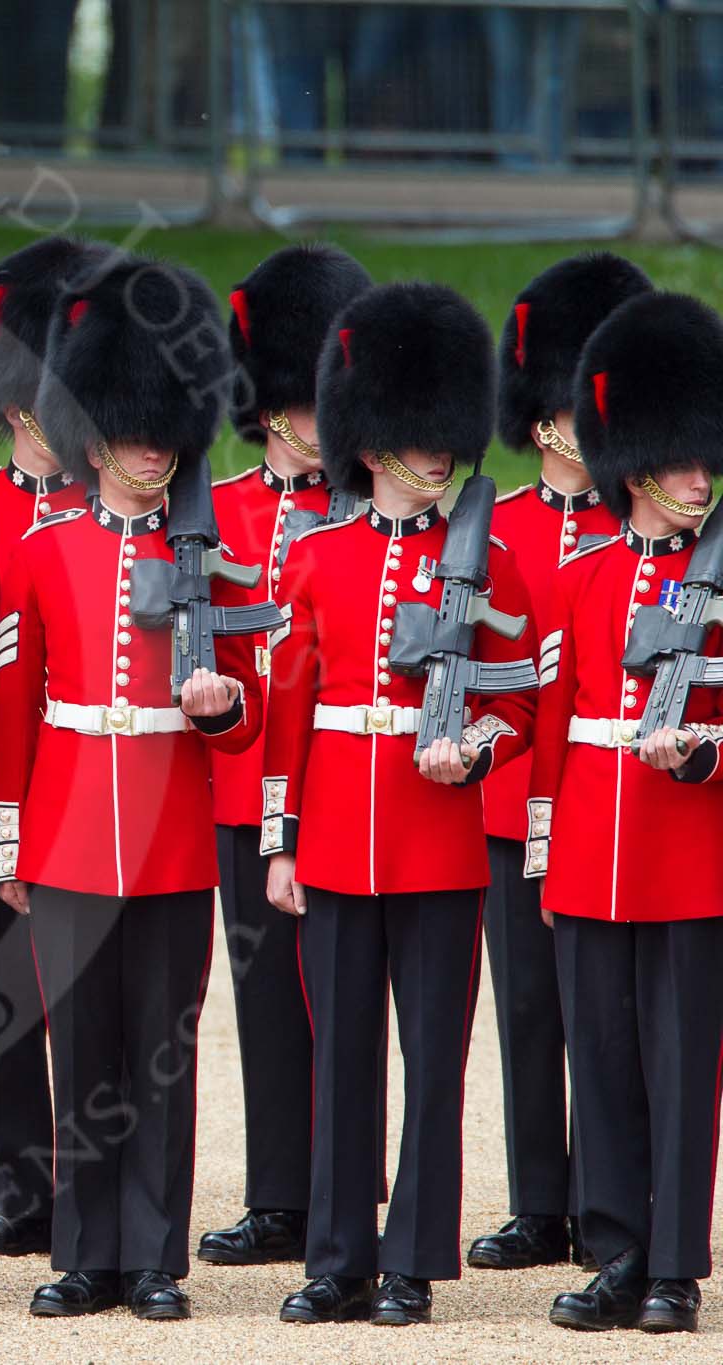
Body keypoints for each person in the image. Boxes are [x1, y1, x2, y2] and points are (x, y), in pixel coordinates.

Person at [0, 253, 262, 1323]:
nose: (152, 448)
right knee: (79, 1047)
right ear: (93, 433)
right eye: (134, 428)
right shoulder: (46, 548)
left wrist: (218, 709)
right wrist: (8, 836)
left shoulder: (216, 556)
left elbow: (256, 715)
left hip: (168, 831)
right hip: (63, 827)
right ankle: (83, 1251)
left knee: (156, 1050)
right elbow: (14, 701)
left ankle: (152, 1255)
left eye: (165, 431)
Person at [265, 282, 537, 1327]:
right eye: (416, 438)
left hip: (436, 840)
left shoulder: (490, 559)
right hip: (334, 835)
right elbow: (289, 710)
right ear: (371, 443)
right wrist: (279, 842)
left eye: (443, 437)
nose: (438, 456)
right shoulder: (317, 557)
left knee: (432, 1060)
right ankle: (334, 1256)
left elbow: (516, 701)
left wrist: (473, 750)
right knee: (339, 1058)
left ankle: (413, 1257)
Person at [535, 290, 723, 1335]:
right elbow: (550, 717)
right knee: (598, 1059)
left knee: (678, 1063)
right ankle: (612, 1250)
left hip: (689, 855)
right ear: (637, 460)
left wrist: (698, 757)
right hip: (592, 858)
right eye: (683, 459)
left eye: (706, 459)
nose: (700, 477)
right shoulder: (584, 579)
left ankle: (673, 1268)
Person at [470, 253, 649, 1273]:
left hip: (608, 804)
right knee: (528, 1010)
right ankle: (540, 1201)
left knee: (612, 1019)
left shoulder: (645, 545)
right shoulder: (493, 533)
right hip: (507, 806)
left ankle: (610, 1200)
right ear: (542, 421)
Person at [198, 243, 373, 1269]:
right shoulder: (218, 510)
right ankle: (277, 1196)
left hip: (337, 785)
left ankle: (345, 1190)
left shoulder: (367, 518)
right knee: (263, 1001)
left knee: (341, 1001)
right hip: (238, 782)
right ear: (264, 408)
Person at [0, 234, 105, 1261]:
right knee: (5, 1003)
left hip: (88, 789)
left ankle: (95, 1196)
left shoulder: (112, 516)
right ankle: (14, 1192)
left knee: (93, 1003)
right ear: (15, 413)